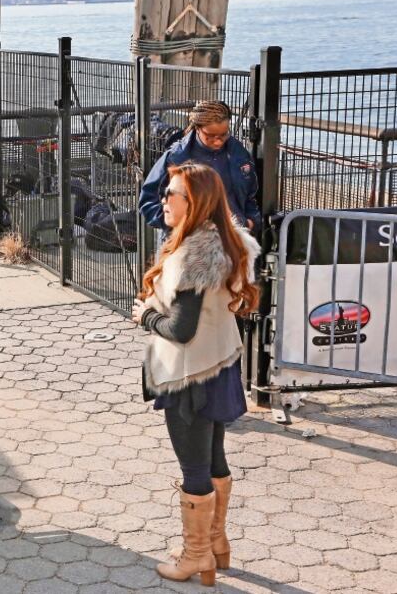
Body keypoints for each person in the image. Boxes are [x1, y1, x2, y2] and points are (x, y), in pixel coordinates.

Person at [132, 162, 260, 586]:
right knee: (215, 458)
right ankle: (217, 545)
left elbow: (180, 330)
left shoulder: (192, 257)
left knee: (194, 469)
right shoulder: (227, 241)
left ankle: (195, 557)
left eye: (172, 194)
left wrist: (146, 315)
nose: (163, 200)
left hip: (190, 378)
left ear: (196, 202)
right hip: (219, 366)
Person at [139, 101, 260, 236]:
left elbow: (251, 195)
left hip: (233, 237)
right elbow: (148, 202)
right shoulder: (175, 157)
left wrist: (251, 223)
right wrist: (178, 225)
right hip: (187, 242)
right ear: (197, 128)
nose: (218, 141)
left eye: (224, 134)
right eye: (210, 136)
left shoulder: (239, 154)